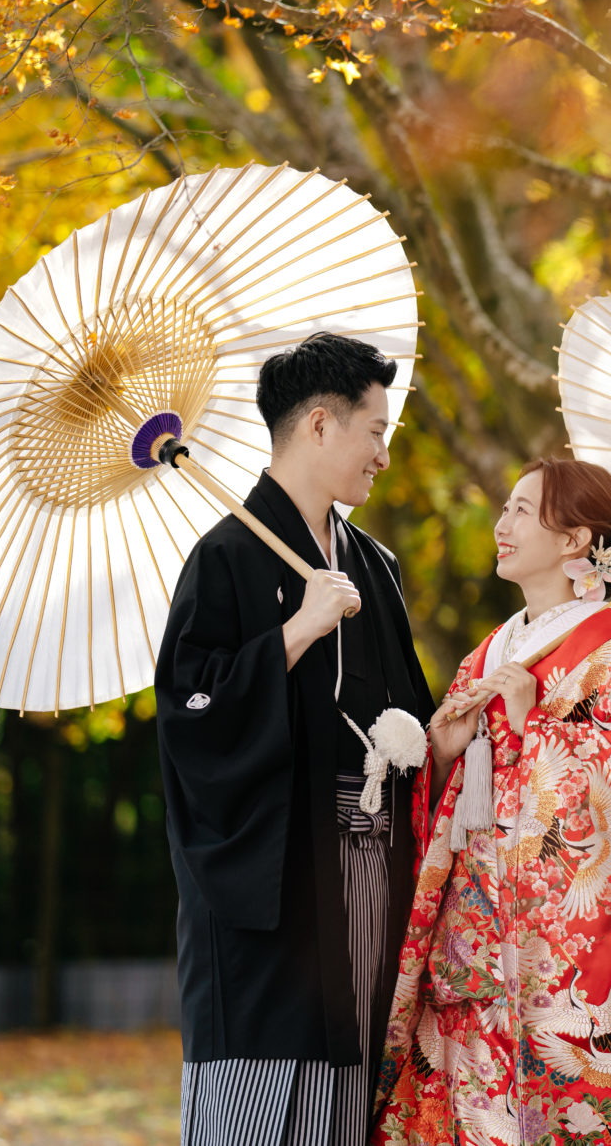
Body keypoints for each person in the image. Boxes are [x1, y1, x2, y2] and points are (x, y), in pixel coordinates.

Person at [373, 458, 611, 1146]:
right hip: (473, 948)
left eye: (523, 510)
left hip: (561, 968)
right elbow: (447, 799)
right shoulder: (490, 652)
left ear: (576, 539)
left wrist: (535, 728)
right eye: (506, 506)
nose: (501, 523)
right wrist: (444, 748)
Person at [157, 332, 435, 1146]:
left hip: (370, 876)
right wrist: (292, 632)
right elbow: (188, 714)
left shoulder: (370, 564)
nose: (385, 451)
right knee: (265, 1101)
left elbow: (405, 713)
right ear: (320, 424)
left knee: (355, 1091)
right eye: (375, 430)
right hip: (277, 885)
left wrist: (435, 732)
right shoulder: (225, 560)